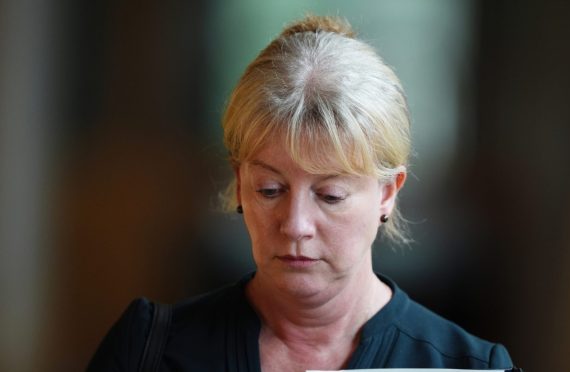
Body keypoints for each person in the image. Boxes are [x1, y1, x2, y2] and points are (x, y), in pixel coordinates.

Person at [87, 15, 517, 371]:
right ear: (240, 184)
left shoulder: (469, 367)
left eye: (330, 195)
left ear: (388, 192)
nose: (295, 225)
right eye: (270, 189)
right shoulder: (149, 352)